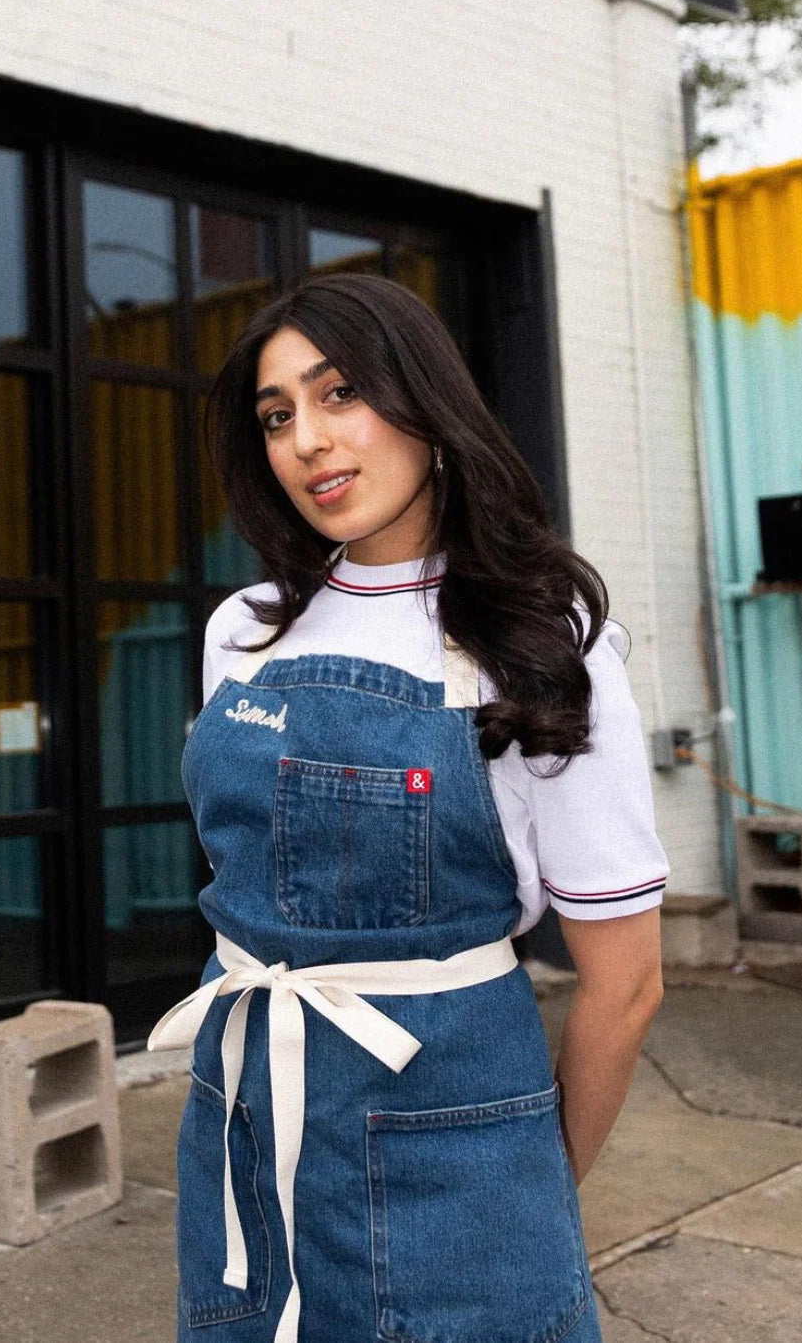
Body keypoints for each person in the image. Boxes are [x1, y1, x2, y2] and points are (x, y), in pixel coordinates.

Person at [147, 272, 669, 1343]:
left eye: (339, 394)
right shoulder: (242, 632)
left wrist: (521, 1188)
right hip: (245, 1125)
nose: (307, 440)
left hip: (462, 1151)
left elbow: (623, 986)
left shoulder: (534, 635)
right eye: (277, 414)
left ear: (425, 404)